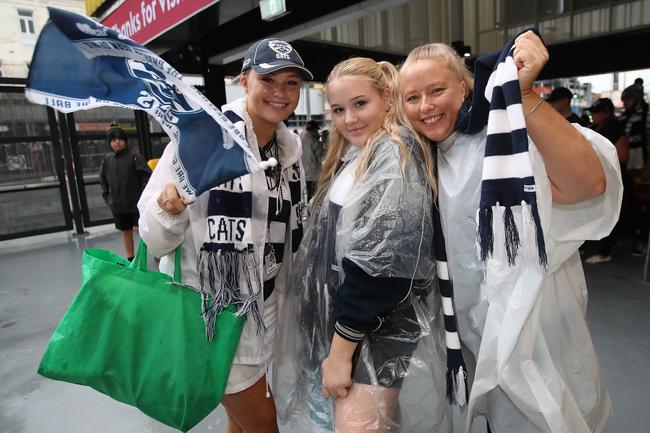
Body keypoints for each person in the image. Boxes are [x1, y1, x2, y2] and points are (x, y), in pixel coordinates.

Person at [400, 31, 622, 433]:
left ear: (465, 87)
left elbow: (588, 184)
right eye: (412, 98)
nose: (425, 106)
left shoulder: (505, 139)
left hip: (536, 339)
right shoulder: (423, 161)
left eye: (437, 90)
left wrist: (522, 94)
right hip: (474, 341)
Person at [138, 38, 311, 433]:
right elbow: (154, 241)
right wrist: (168, 211)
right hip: (214, 313)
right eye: (268, 80)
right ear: (243, 80)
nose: (280, 93)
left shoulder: (290, 151)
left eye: (291, 83)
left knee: (240, 420)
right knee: (264, 422)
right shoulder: (203, 138)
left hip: (267, 306)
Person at [273, 57, 453, 433]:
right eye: (338, 109)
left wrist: (340, 353)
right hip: (356, 329)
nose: (349, 119)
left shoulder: (394, 156)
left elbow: (381, 267)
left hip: (373, 332)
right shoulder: (362, 154)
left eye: (360, 104)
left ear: (387, 98)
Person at [584, 98, 630, 264]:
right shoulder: (595, 128)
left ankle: (605, 251)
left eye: (596, 112)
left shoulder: (616, 129)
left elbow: (623, 156)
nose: (593, 115)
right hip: (598, 176)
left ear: (606, 113)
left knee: (609, 212)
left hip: (612, 177)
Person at [99, 125, 151, 261]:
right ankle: (131, 259)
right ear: (109, 143)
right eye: (114, 139)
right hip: (118, 205)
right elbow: (103, 181)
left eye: (120, 139)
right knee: (126, 231)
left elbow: (147, 178)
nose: (117, 142)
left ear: (125, 141)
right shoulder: (106, 160)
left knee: (143, 230)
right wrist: (109, 199)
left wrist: (143, 198)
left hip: (137, 204)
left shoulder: (135, 157)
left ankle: (148, 255)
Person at [300, 119, 325, 200]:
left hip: (304, 172)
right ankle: (312, 211)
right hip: (314, 174)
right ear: (314, 129)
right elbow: (322, 158)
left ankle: (308, 210)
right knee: (315, 196)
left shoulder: (301, 138)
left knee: (308, 194)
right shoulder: (315, 141)